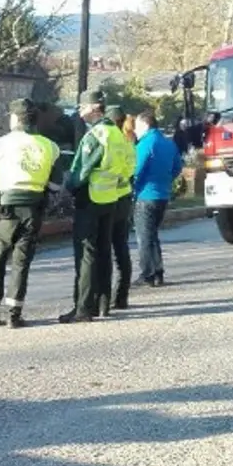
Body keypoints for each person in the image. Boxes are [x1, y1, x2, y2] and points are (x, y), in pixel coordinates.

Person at [0, 98, 63, 328]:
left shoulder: (1, 144)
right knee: (21, 262)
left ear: (15, 118)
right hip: (33, 209)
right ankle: (14, 314)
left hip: (6, 209)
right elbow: (56, 185)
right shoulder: (50, 146)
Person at [60, 90, 127, 324]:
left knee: (86, 253)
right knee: (104, 250)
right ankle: (103, 303)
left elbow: (82, 171)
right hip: (110, 198)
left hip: (90, 199)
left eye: (82, 107)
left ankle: (83, 308)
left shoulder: (95, 136)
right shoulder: (116, 134)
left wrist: (68, 187)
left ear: (95, 108)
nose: (79, 111)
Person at [132, 110, 182, 287]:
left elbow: (136, 169)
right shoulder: (168, 143)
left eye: (136, 127)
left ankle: (147, 274)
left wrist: (132, 186)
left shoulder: (146, 144)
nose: (135, 131)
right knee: (152, 234)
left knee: (144, 236)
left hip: (146, 194)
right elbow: (177, 167)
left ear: (145, 125)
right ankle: (158, 271)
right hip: (163, 194)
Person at [99, 105, 135, 314]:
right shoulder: (129, 144)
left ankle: (106, 297)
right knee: (121, 248)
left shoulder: (113, 142)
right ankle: (122, 296)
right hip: (125, 197)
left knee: (106, 249)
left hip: (110, 197)